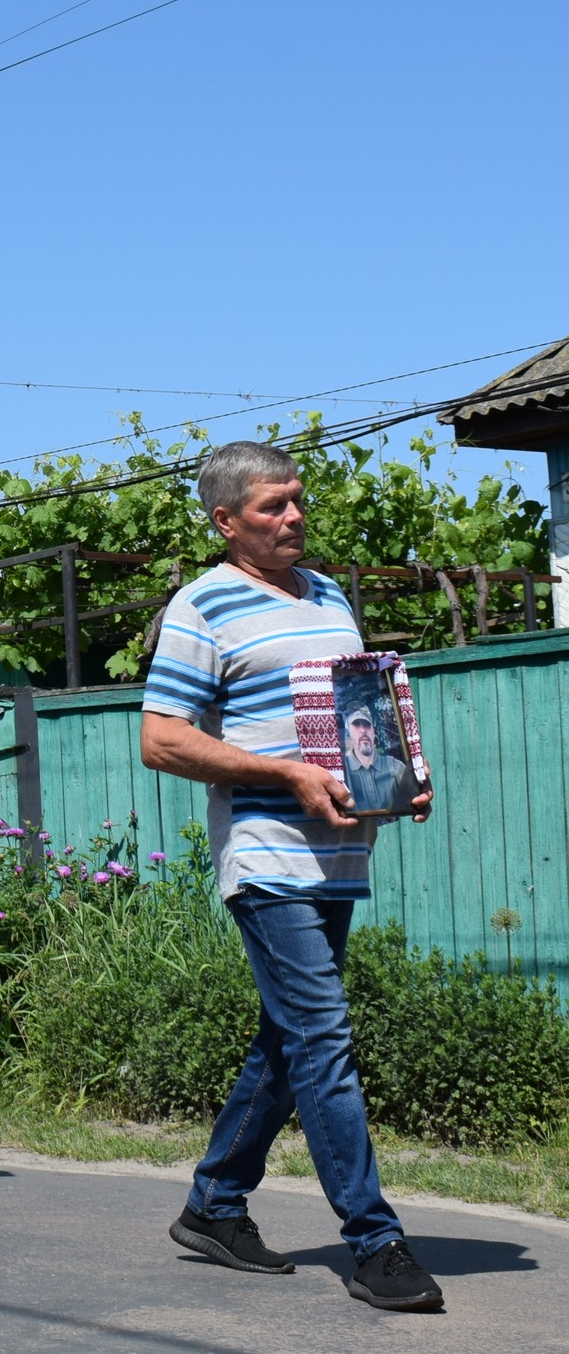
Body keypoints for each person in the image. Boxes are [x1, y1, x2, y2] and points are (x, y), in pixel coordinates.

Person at [140, 440, 441, 1314]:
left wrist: (398, 778)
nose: (295, 517)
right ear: (226, 521)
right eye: (273, 506)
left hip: (341, 852)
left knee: (288, 1038)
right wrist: (289, 777)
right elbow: (162, 738)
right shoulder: (203, 606)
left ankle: (213, 1203)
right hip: (266, 853)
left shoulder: (331, 596)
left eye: (297, 500)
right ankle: (375, 1240)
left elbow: (354, 716)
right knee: (324, 1035)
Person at [339, 705, 420, 817]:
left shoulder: (393, 766)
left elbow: (414, 795)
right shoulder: (342, 772)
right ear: (350, 732)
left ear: (373, 731)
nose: (363, 730)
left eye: (367, 724)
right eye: (356, 725)